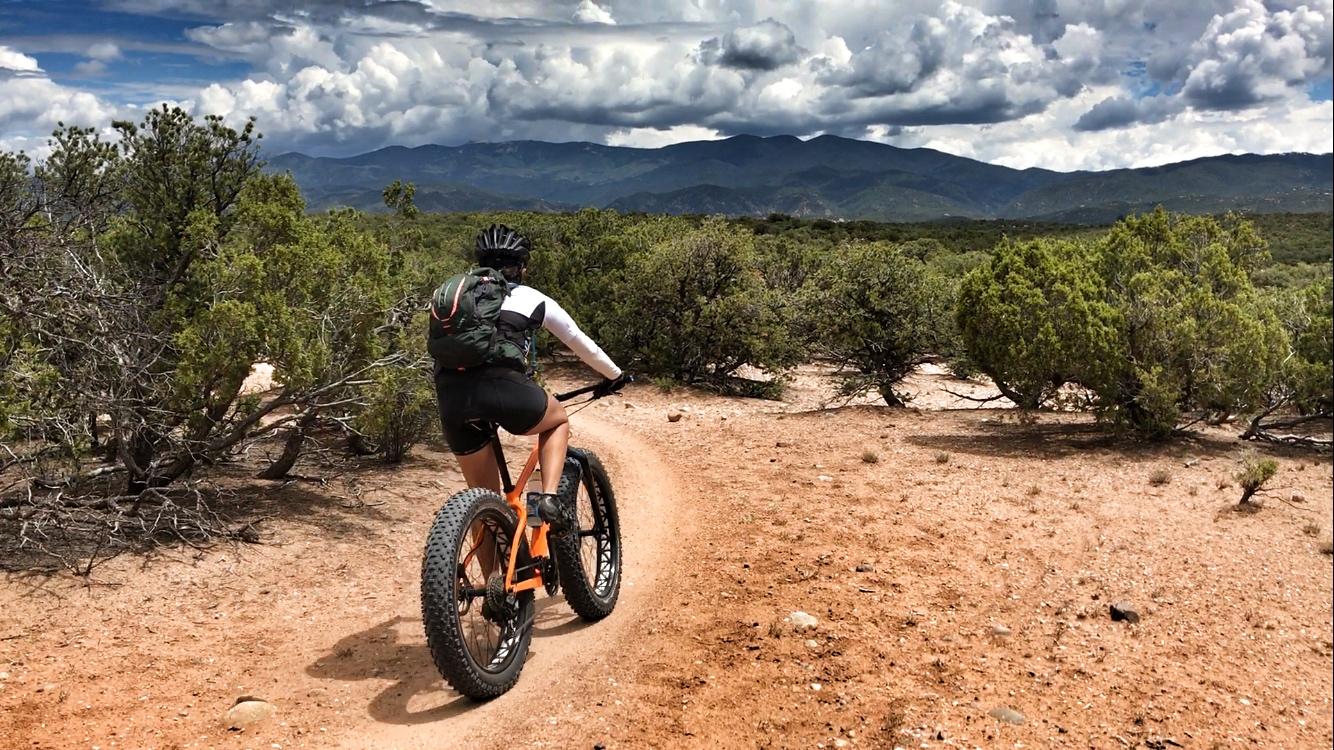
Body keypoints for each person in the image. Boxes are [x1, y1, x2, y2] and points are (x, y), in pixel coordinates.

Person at [434, 224, 626, 529]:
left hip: (450, 395)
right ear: (521, 267)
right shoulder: (532, 297)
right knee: (557, 419)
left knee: (485, 503)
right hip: (502, 387)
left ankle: (492, 577)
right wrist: (615, 375)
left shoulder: (457, 296)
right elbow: (579, 342)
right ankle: (547, 499)